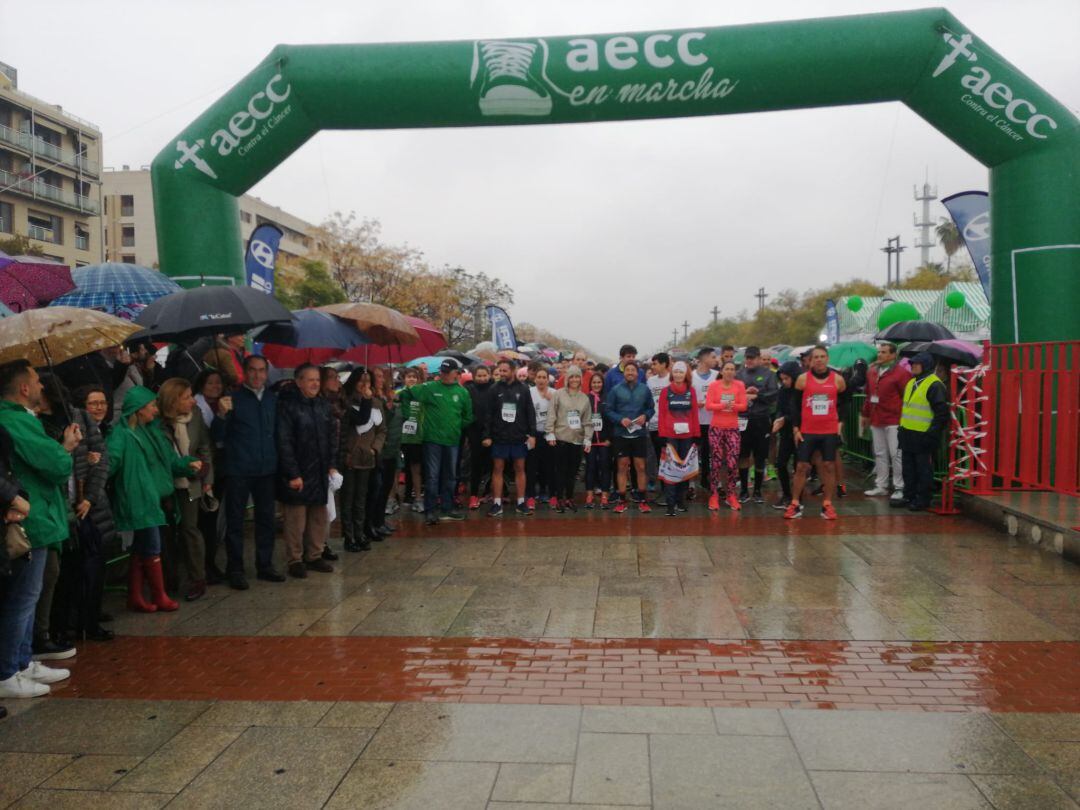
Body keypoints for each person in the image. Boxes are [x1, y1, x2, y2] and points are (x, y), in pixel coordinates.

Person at [0, 361, 79, 700]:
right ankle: (8, 671)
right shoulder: (14, 421)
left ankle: (22, 660)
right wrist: (66, 447)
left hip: (39, 516)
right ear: (23, 389)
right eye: (36, 381)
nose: (41, 387)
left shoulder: (21, 420)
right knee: (23, 598)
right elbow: (56, 465)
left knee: (29, 598)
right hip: (31, 520)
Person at [107, 385, 202, 612]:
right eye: (151, 406)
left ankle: (136, 596)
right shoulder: (121, 435)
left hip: (154, 499)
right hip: (139, 500)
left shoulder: (153, 432)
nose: (155, 410)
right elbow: (110, 464)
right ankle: (159, 595)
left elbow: (169, 461)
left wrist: (187, 465)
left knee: (141, 548)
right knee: (152, 547)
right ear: (139, 410)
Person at [217, 355, 283, 590]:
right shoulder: (232, 399)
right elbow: (218, 436)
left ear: (267, 373)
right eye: (253, 370)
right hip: (239, 469)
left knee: (266, 519)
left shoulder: (272, 400)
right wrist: (221, 415)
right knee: (235, 521)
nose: (257, 375)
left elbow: (278, 433)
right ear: (245, 372)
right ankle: (235, 568)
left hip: (267, 469)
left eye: (261, 370)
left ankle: (264, 564)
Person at [276, 364, 339, 578]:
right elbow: (284, 441)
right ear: (299, 381)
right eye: (310, 379)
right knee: (296, 519)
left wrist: (331, 464)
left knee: (318, 517)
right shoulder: (288, 405)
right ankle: (295, 559)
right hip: (299, 471)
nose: (314, 384)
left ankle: (315, 555)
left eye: (317, 380)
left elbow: (332, 436)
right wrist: (292, 473)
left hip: (320, 470)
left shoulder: (323, 405)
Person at [157, 378, 215, 602]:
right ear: (173, 400)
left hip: (190, 482)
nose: (192, 401)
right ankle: (169, 577)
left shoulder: (196, 416)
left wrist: (207, 477)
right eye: (187, 397)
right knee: (168, 532)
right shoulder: (158, 422)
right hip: (166, 482)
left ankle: (197, 578)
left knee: (190, 529)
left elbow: (204, 447)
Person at [783, 346, 846, 520]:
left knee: (828, 466)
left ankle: (827, 504)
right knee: (802, 466)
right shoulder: (803, 379)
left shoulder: (838, 380)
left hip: (828, 430)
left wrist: (840, 422)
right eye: (815, 357)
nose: (819, 359)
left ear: (827, 358)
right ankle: (795, 504)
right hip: (808, 430)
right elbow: (794, 405)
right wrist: (796, 428)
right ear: (810, 360)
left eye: (822, 356)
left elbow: (844, 401)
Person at [412, 360, 473, 525]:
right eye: (442, 371)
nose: (444, 374)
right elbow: (409, 393)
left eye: (447, 371)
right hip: (432, 440)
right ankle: (430, 510)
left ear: (456, 373)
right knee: (432, 476)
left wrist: (455, 427)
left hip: (452, 440)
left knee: (451, 476)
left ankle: (448, 507)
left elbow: (468, 416)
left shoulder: (462, 393)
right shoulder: (430, 387)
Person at [339, 368, 387, 551]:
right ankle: (349, 535)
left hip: (368, 458)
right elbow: (357, 421)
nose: (364, 385)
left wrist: (375, 448)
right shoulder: (346, 403)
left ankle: (360, 533)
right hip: (351, 457)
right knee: (348, 498)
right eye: (361, 381)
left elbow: (382, 430)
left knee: (362, 497)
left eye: (368, 381)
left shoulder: (376, 403)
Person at [896, 352, 949, 512]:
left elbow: (941, 413)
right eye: (912, 363)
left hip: (923, 435)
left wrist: (932, 433)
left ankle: (923, 498)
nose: (913, 366)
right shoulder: (912, 382)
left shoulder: (934, 384)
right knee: (908, 469)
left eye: (917, 363)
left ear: (926, 365)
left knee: (923, 469)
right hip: (908, 434)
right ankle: (909, 495)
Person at [484, 359, 535, 517]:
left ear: (513, 371)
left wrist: (532, 434)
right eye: (500, 371)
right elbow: (488, 414)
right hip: (499, 436)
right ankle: (497, 503)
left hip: (518, 436)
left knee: (520, 468)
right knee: (498, 469)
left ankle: (521, 502)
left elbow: (530, 412)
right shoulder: (494, 389)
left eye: (505, 371)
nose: (502, 374)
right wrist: (487, 435)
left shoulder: (524, 388)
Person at [862, 342, 911, 500]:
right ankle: (881, 485)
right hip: (877, 418)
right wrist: (865, 414)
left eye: (883, 352)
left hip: (894, 419)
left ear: (893, 355)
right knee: (880, 453)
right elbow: (869, 395)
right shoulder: (871, 371)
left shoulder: (901, 373)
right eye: (879, 352)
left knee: (896, 454)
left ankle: (899, 486)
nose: (880, 355)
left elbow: (906, 396)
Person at [605, 362, 655, 514]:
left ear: (637, 373)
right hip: (621, 434)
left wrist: (645, 416)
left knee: (640, 466)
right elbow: (608, 410)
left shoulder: (644, 389)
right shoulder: (616, 390)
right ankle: (621, 500)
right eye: (627, 370)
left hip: (639, 433)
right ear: (624, 373)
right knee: (622, 466)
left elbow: (651, 408)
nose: (630, 372)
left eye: (633, 370)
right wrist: (620, 419)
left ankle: (642, 500)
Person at [545, 364, 592, 511]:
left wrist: (587, 438)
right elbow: (552, 413)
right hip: (560, 438)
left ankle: (569, 498)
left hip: (577, 439)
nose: (574, 379)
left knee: (572, 472)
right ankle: (559, 498)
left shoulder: (584, 398)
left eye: (577, 376)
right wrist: (550, 432)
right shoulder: (558, 394)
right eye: (571, 376)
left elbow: (587, 420)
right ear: (567, 378)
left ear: (580, 379)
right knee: (560, 470)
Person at [736, 346, 779, 503]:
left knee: (760, 456)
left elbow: (774, 394)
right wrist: (745, 393)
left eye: (753, 357)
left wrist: (757, 395)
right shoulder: (739, 375)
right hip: (743, 418)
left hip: (761, 418)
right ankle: (743, 490)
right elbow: (733, 394)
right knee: (743, 455)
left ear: (759, 358)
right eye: (747, 357)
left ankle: (758, 490)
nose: (750, 360)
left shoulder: (768, 374)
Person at [656, 361, 700, 516]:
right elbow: (661, 414)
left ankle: (681, 501)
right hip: (670, 436)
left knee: (684, 469)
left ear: (685, 374)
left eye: (681, 372)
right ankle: (670, 503)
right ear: (672, 374)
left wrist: (696, 435)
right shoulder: (665, 392)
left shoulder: (691, 391)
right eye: (676, 372)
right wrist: (662, 435)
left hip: (687, 436)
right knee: (670, 469)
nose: (678, 375)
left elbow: (695, 414)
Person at [705, 361, 747, 511]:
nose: (729, 372)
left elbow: (743, 405)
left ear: (735, 372)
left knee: (732, 463)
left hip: (732, 428)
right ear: (722, 371)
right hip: (716, 428)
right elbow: (708, 405)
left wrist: (733, 406)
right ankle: (714, 494)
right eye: (727, 369)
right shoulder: (714, 386)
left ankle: (731, 494)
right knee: (715, 463)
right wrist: (723, 405)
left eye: (732, 369)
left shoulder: (739, 385)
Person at [771, 361, 802, 510]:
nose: (784, 382)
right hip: (785, 433)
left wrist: (785, 419)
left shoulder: (801, 390)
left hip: (800, 432)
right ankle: (786, 493)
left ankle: (797, 496)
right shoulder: (783, 391)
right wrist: (778, 418)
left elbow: (801, 413)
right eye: (782, 379)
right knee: (781, 463)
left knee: (799, 466)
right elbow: (779, 408)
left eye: (786, 379)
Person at [464, 365, 495, 510]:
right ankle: (474, 495)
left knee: (493, 465)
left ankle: (489, 492)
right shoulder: (469, 389)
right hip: (474, 433)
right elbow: (467, 411)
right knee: (475, 465)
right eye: (479, 376)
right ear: (474, 376)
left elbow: (495, 412)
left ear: (489, 375)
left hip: (492, 433)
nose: (482, 379)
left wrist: (489, 434)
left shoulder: (494, 388)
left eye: (484, 375)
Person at [689, 347, 718, 500]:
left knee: (712, 453)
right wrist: (695, 403)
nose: (716, 360)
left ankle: (711, 482)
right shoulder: (691, 377)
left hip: (714, 421)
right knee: (693, 453)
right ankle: (691, 484)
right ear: (704, 358)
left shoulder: (717, 375)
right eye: (713, 357)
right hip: (696, 421)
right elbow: (685, 398)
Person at [396, 368, 426, 512]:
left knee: (416, 468)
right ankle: (399, 497)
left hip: (417, 437)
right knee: (401, 468)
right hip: (402, 437)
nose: (412, 379)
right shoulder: (400, 394)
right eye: (409, 377)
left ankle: (418, 497)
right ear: (404, 379)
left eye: (415, 377)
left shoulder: (422, 394)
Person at [527, 367, 556, 509]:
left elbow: (561, 411)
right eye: (539, 377)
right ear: (535, 378)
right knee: (532, 466)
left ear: (548, 379)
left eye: (544, 377)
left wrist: (553, 401)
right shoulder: (529, 392)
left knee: (548, 465)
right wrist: (529, 434)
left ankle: (546, 491)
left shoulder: (554, 393)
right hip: (534, 434)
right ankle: (531, 495)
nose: (541, 380)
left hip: (549, 434)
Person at [584, 373, 611, 509]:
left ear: (603, 383)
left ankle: (605, 496)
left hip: (604, 441)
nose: (596, 385)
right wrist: (585, 438)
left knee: (605, 467)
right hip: (590, 441)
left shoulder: (608, 398)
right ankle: (589, 495)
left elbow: (611, 419)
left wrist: (609, 438)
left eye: (599, 382)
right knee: (590, 467)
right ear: (590, 384)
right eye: (594, 382)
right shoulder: (586, 398)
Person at [646, 353, 672, 490]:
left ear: (663, 364)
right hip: (653, 424)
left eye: (655, 363)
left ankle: (668, 485)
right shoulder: (651, 381)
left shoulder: (672, 380)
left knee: (668, 456)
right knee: (656, 456)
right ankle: (657, 482)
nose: (652, 366)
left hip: (668, 426)